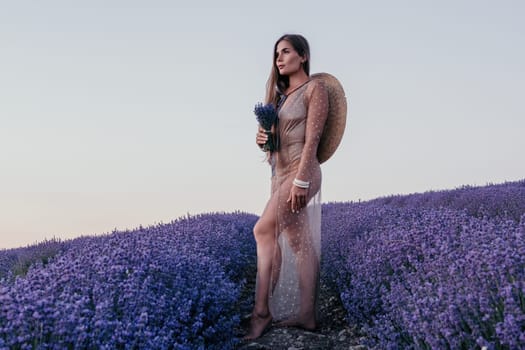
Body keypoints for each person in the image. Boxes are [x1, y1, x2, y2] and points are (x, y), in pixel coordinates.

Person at [245, 34, 329, 340]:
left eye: (286, 52)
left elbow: (312, 141)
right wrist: (262, 139)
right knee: (298, 241)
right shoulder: (280, 98)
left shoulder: (314, 88)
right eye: (276, 54)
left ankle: (261, 312)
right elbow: (277, 142)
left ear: (303, 56)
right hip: (279, 175)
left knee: (262, 230)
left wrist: (301, 180)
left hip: (301, 172)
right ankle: (307, 314)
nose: (279, 59)